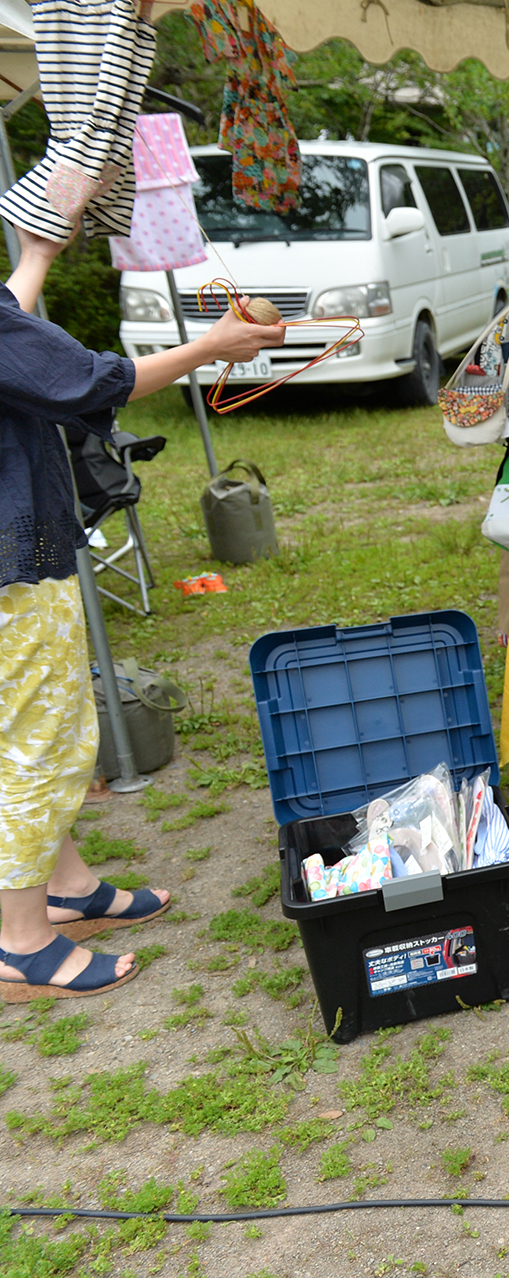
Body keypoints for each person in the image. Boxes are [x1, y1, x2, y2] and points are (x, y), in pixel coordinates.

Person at [0, 228, 283, 997]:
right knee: (42, 743)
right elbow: (90, 383)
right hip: (13, 568)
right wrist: (212, 347)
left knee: (26, 733)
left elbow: (10, 340)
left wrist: (37, 257)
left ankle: (64, 889)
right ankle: (20, 942)